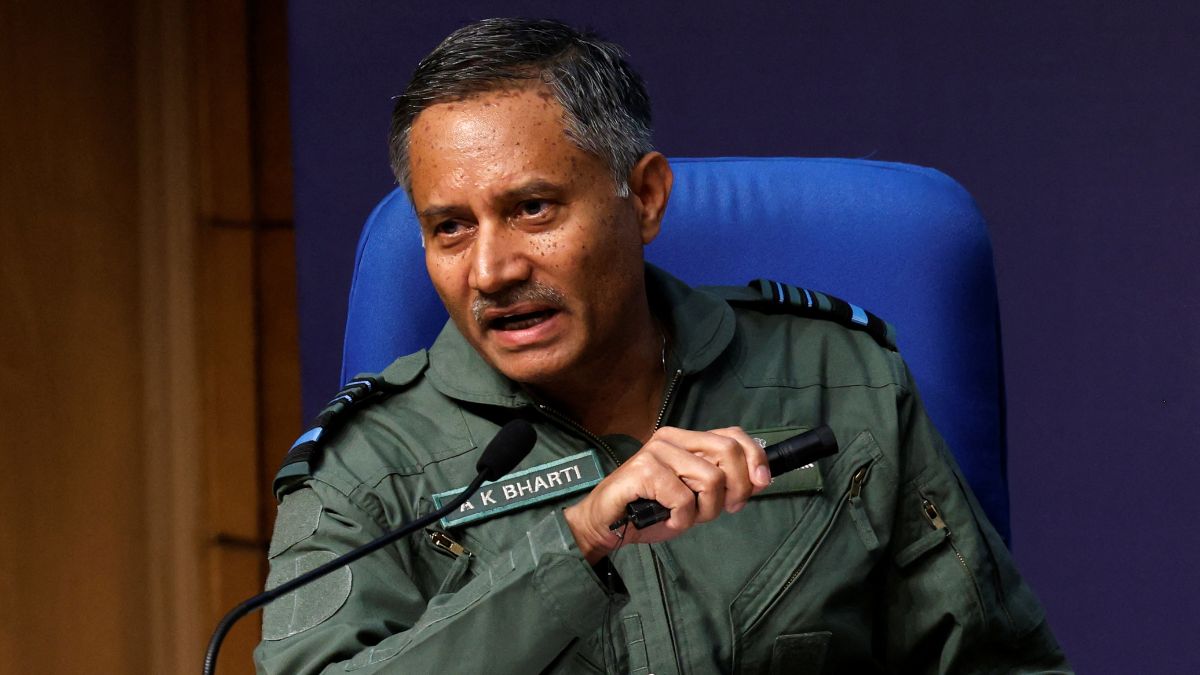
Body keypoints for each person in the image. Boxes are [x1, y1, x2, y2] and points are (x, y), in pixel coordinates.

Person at [255, 18, 1069, 674]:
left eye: (534, 209)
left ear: (644, 198)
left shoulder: (841, 380)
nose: (492, 270)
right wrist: (574, 545)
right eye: (450, 229)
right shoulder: (364, 472)